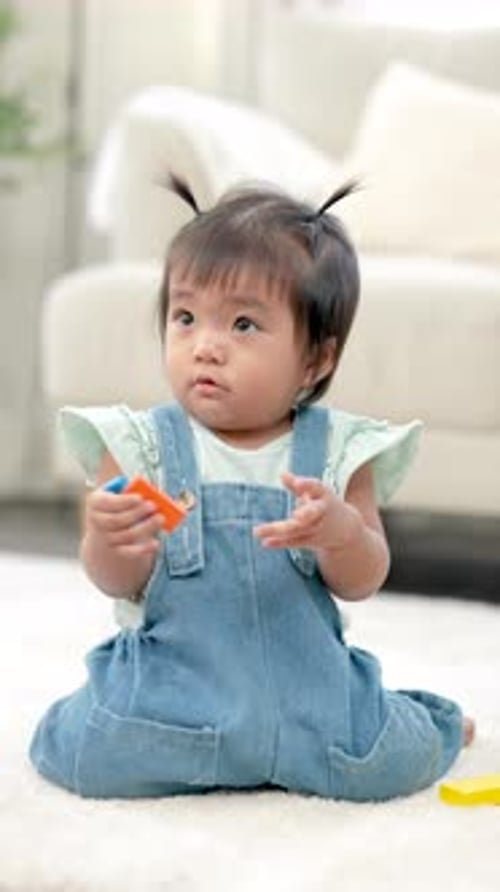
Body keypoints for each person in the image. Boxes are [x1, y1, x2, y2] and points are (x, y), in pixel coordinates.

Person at [30, 177, 474, 800]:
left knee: (385, 760)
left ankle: (434, 723)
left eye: (243, 325)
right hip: (174, 697)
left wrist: (342, 533)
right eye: (185, 317)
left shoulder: (340, 452)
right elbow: (116, 580)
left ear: (316, 360)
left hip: (310, 704)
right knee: (86, 752)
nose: (206, 346)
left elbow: (363, 579)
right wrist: (110, 540)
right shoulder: (138, 446)